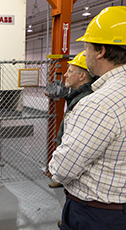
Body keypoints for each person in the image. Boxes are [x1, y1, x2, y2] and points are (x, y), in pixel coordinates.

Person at [49, 6, 126, 230]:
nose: (86, 51)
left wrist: (55, 165)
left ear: (100, 51)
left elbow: (62, 168)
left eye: (87, 46)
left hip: (98, 215)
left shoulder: (99, 104)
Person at [48, 51, 94, 189]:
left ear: (82, 76)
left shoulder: (85, 100)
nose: (65, 75)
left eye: (70, 71)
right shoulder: (75, 96)